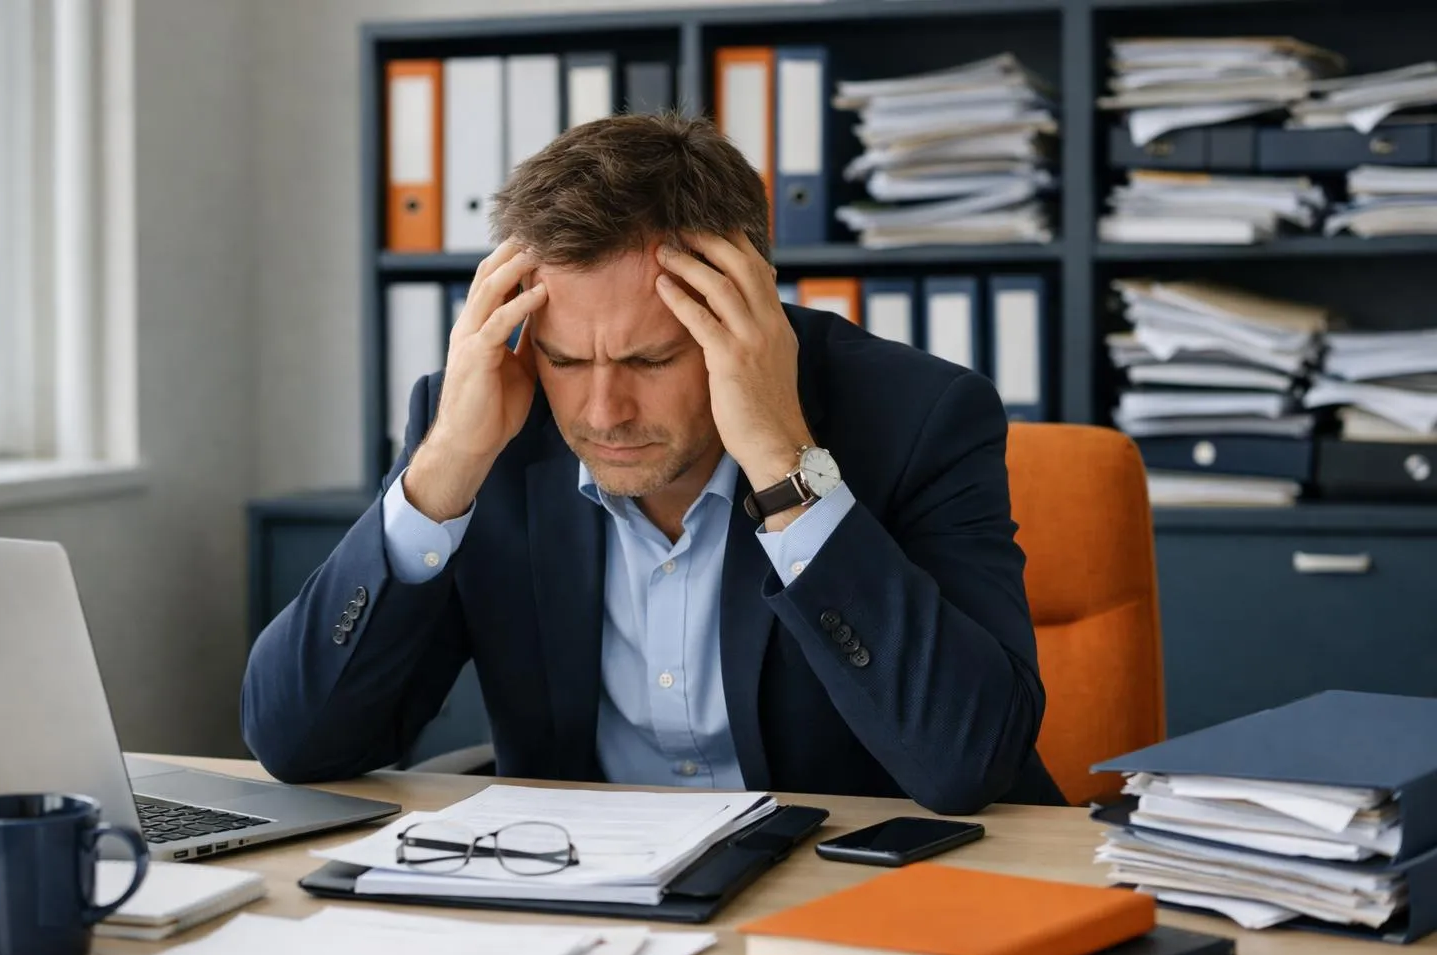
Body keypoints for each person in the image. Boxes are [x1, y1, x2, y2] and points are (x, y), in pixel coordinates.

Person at [242, 112, 1065, 814]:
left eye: (649, 360)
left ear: (740, 312)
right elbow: (297, 741)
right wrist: (444, 468)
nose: (603, 414)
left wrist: (786, 465)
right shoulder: (482, 415)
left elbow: (969, 762)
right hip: (590, 909)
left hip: (852, 906)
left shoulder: (920, 417)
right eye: (566, 362)